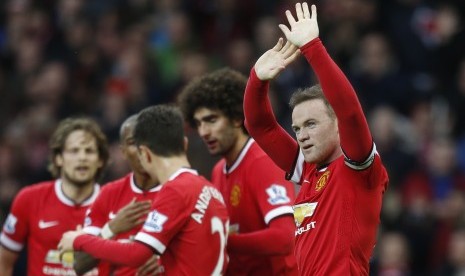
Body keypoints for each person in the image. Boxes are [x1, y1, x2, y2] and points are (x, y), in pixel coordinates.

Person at [243, 3, 388, 275]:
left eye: (311, 124)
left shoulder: (358, 167)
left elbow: (351, 114)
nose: (302, 136)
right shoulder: (307, 170)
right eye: (297, 129)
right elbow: (260, 127)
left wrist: (312, 47)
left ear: (337, 126)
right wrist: (257, 80)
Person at [58, 104, 230, 275]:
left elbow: (137, 255)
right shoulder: (209, 189)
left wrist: (79, 239)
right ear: (183, 145)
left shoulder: (175, 190)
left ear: (145, 153)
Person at [178, 67, 298, 275]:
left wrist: (221, 240)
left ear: (235, 118)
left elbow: (284, 238)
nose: (204, 132)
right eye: (198, 124)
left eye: (211, 120)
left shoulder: (262, 161)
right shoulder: (218, 171)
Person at [0, 117, 109, 276]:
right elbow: (4, 261)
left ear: (100, 160)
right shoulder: (29, 199)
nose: (82, 157)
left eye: (89, 151)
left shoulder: (115, 202)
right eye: (74, 150)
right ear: (58, 158)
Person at [74, 114, 162, 275]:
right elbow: (79, 264)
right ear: (123, 152)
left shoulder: (178, 191)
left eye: (147, 139)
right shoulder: (108, 194)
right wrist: (112, 228)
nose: (141, 149)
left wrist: (164, 262)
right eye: (133, 143)